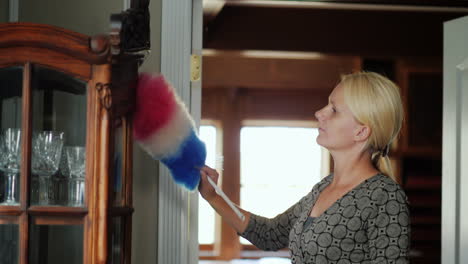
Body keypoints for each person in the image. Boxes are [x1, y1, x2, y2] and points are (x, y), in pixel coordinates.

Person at [199, 72, 410, 264]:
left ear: (361, 132)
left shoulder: (386, 197)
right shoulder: (324, 187)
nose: (319, 112)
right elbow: (270, 234)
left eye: (334, 110)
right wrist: (213, 196)